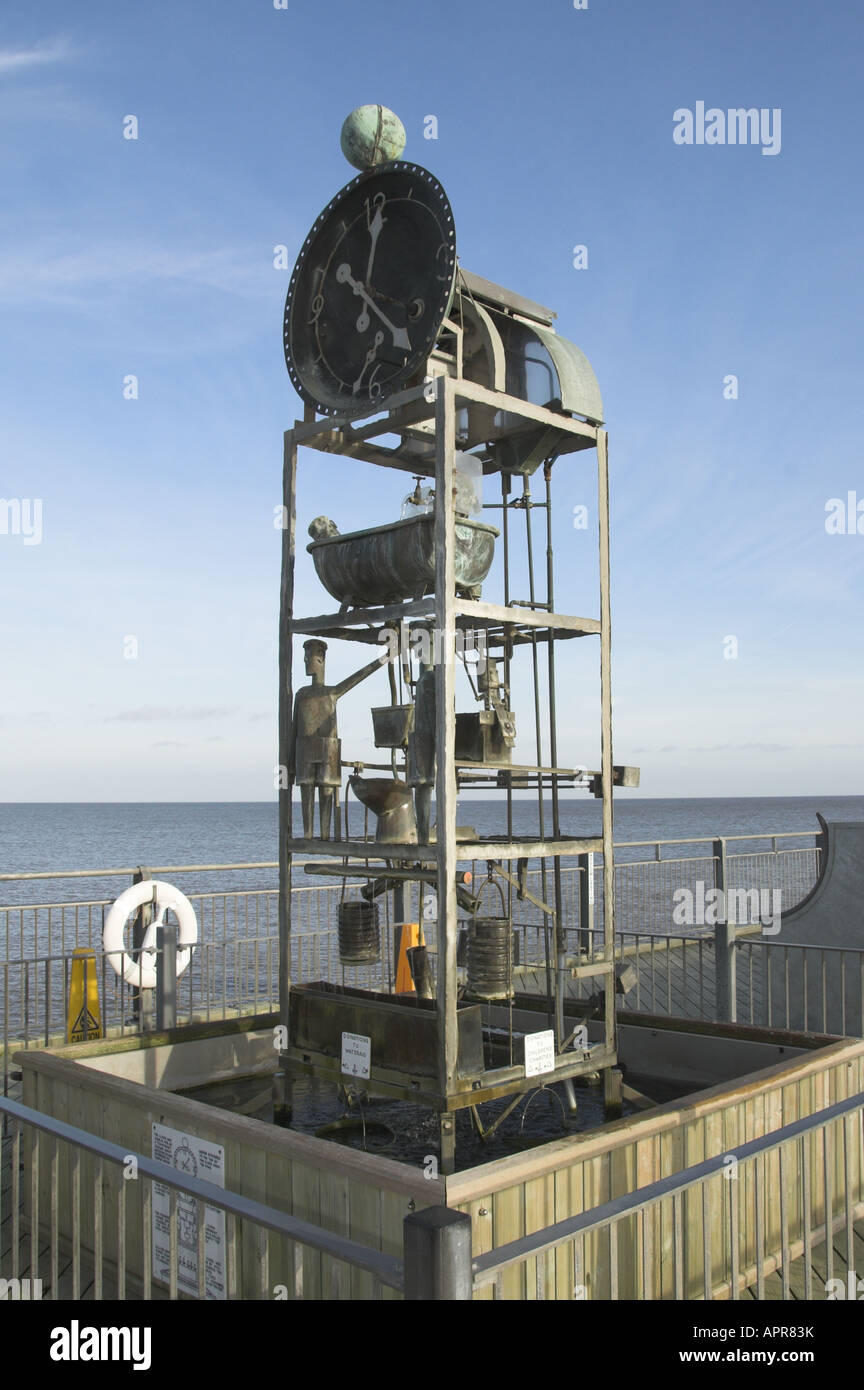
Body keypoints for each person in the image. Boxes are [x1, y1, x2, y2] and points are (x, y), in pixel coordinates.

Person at [289, 639, 383, 838]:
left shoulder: (331, 693)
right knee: (306, 790)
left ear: (321, 660)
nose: (306, 662)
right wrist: (289, 764)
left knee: (326, 791)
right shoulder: (301, 694)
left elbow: (359, 676)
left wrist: (386, 657)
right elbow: (293, 730)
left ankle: (324, 834)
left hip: (327, 750)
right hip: (304, 750)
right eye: (305, 659)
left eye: (310, 658)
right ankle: (308, 834)